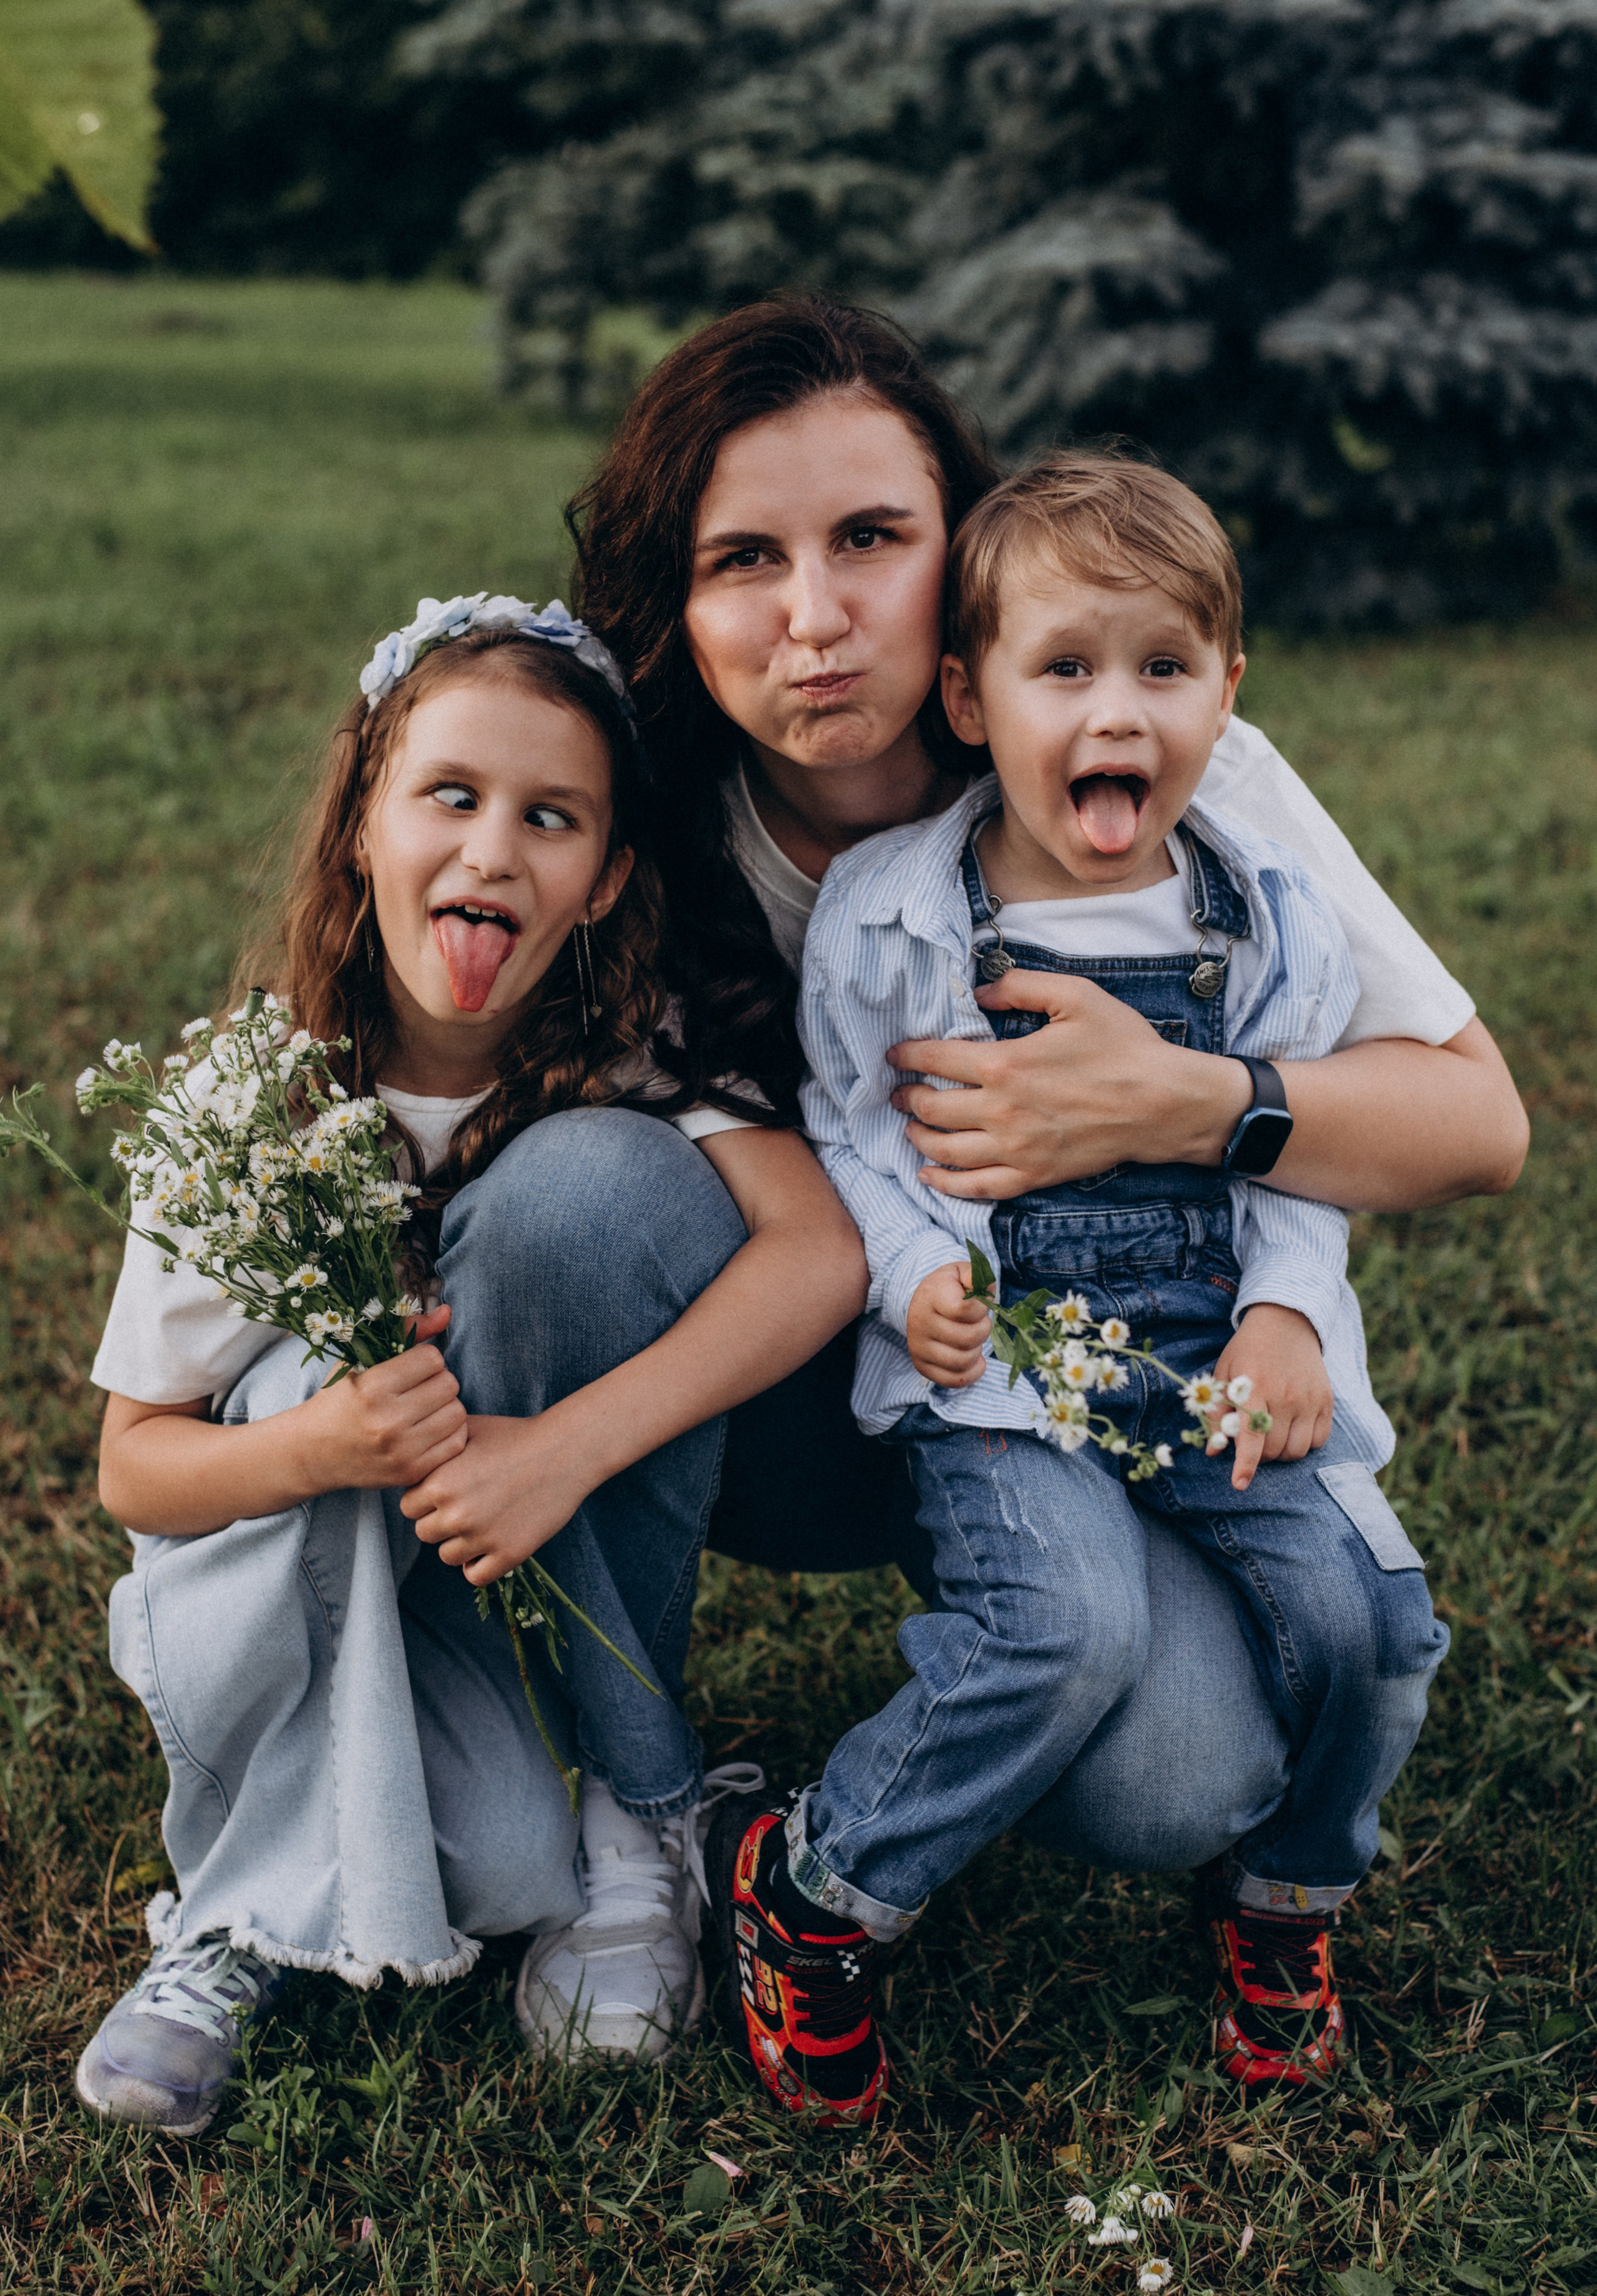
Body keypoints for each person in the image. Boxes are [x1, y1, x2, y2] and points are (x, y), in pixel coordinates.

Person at [552, 295, 1524, 2068]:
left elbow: (1482, 1127)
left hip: (1127, 1379)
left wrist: (1181, 1100)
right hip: (830, 1385)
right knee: (580, 1204)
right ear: (675, 608)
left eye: (871, 538)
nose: (816, 614)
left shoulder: (1173, 772)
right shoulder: (636, 818)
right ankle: (649, 1819)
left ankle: (1162, 1789)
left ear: (962, 563)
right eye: (742, 559)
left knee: (1189, 1777)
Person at [704, 452, 1450, 2127]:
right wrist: (913, 1283)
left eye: (1163, 668)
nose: (1117, 713)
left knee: (1372, 1622)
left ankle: (1286, 1903)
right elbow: (856, 1131)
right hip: (1002, 1373)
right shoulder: (897, 916)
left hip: (1213, 1356)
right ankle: (815, 1895)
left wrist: (1286, 1317)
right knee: (1064, 1629)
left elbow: (1299, 1149)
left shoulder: (1267, 919)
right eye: (1066, 669)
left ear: (1228, 692)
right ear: (969, 699)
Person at [75, 595, 866, 2135]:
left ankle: (629, 1810)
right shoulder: (252, 1099)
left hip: (500, 1588)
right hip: (307, 1580)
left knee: (596, 1187)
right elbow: (135, 1465)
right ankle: (230, 1924)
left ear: (604, 878)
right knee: (309, 1359)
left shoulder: (634, 1044)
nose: (493, 850)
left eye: (548, 817)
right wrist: (319, 1446)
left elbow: (820, 1254)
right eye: (449, 795)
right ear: (363, 822)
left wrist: (560, 1446)